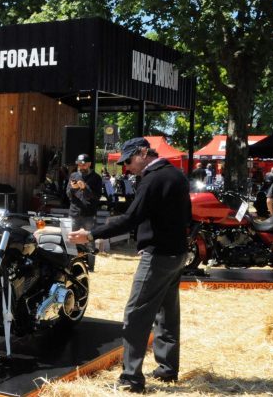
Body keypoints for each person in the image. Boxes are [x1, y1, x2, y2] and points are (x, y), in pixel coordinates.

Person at [68, 137, 190, 393]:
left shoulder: (152, 179)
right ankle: (167, 369)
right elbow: (184, 216)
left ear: (144, 152)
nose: (127, 167)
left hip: (158, 256)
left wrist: (91, 235)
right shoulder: (176, 175)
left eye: (129, 161)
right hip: (177, 254)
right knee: (167, 314)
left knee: (136, 315)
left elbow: (130, 218)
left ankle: (131, 378)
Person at [67, 153, 102, 231]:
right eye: (79, 165)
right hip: (74, 214)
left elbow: (97, 196)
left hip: (89, 215)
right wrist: (73, 188)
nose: (81, 167)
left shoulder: (96, 178)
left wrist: (85, 188)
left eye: (83, 165)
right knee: (72, 237)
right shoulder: (73, 176)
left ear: (89, 164)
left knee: (89, 237)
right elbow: (68, 194)